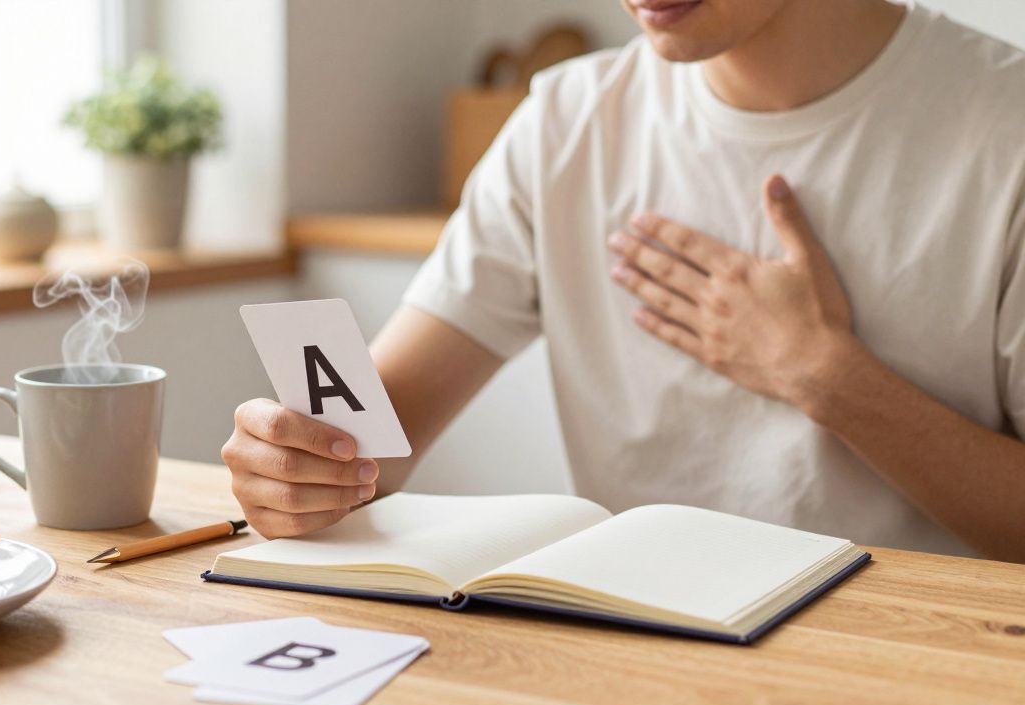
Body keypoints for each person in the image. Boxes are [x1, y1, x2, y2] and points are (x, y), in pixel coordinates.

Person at [221, 0, 1025, 562]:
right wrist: (296, 467)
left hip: (921, 668)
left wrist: (824, 377)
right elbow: (372, 444)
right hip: (641, 657)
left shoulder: (1003, 126)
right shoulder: (565, 121)